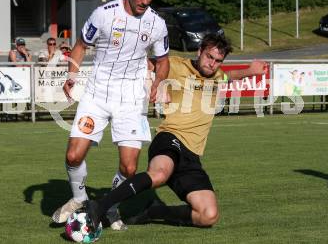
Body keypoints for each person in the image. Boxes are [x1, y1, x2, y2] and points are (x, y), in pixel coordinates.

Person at [84, 34, 267, 230]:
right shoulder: (176, 65)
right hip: (169, 138)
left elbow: (228, 76)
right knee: (159, 174)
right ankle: (100, 206)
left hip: (192, 155)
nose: (212, 64)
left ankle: (156, 211)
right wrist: (154, 83)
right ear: (199, 52)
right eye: (209, 57)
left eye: (218, 61)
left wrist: (249, 71)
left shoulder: (216, 76)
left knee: (208, 215)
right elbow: (146, 64)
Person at [51, 0, 170, 231]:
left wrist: (159, 82)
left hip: (131, 98)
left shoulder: (157, 24)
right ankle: (80, 199)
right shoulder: (103, 15)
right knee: (73, 155)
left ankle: (109, 206)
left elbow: (163, 61)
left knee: (129, 169)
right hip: (97, 94)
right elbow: (81, 46)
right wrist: (72, 75)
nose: (144, 2)